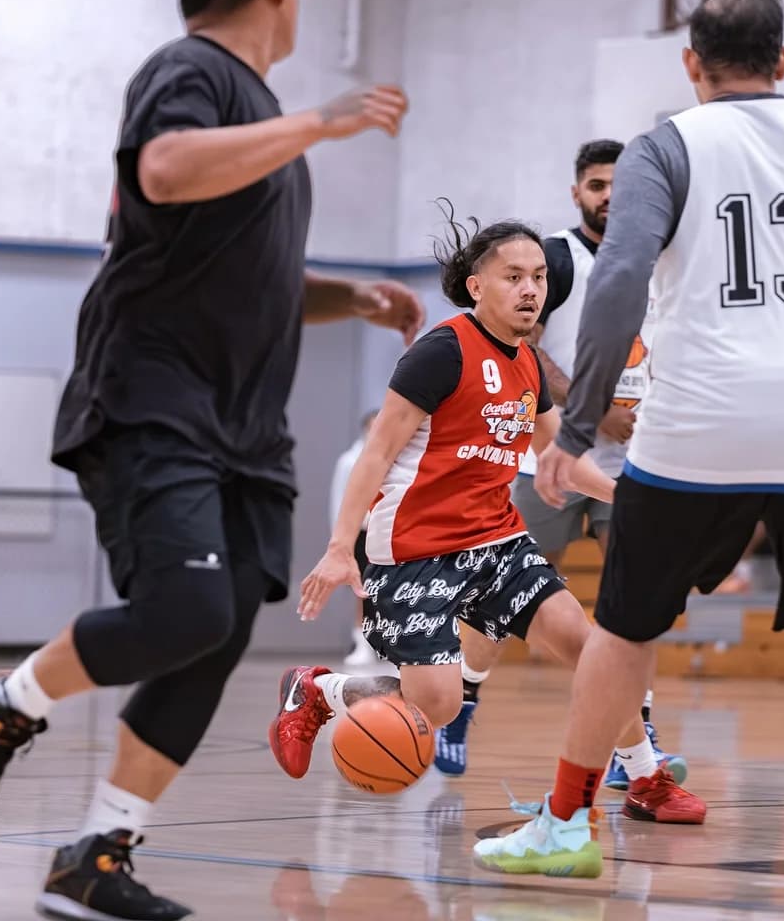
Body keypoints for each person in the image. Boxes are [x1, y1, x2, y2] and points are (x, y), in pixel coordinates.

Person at [0, 0, 424, 919]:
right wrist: (322, 120)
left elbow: (245, 270)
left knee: (217, 631)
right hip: (157, 401)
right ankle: (5, 701)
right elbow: (163, 166)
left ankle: (96, 857)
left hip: (244, 432)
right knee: (188, 606)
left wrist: (347, 297)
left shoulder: (262, 128)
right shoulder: (190, 69)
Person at [474, 0, 784, 897]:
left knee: (625, 627)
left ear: (689, 64)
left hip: (696, 424)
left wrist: (576, 426)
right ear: (783, 60)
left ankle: (565, 822)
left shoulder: (664, 145)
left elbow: (620, 276)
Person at [271, 209, 707, 836]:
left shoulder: (528, 364)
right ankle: (320, 691)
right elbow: (377, 454)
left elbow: (558, 460)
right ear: (478, 286)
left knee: (593, 649)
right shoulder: (442, 352)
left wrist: (629, 498)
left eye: (537, 277)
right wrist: (341, 548)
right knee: (439, 703)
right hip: (413, 550)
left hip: (497, 541)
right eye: (513, 277)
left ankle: (644, 778)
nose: (531, 289)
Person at [433, 139, 688, 790]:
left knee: (637, 605)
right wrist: (590, 411)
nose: (608, 194)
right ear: (578, 192)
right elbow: (524, 347)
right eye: (596, 184)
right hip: (547, 454)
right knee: (498, 595)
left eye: (618, 183)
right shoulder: (555, 261)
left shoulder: (663, 257)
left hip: (638, 464)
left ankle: (641, 735)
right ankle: (462, 702)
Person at [331, 409, 380, 665]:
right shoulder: (350, 461)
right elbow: (339, 501)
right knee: (363, 590)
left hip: (389, 531)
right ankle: (362, 643)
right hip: (361, 533)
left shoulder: (401, 457)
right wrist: (341, 542)